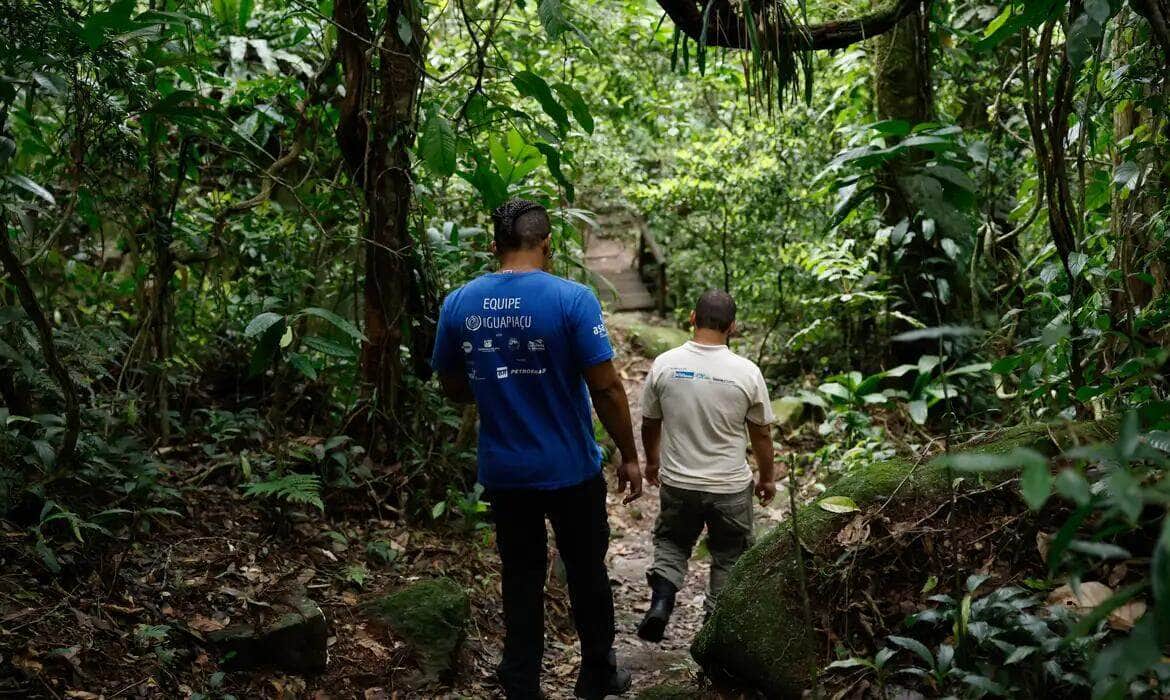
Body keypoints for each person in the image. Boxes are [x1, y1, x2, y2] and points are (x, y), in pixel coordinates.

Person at [431, 198, 643, 699]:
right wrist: (630, 456)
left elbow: (453, 386)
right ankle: (596, 674)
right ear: (548, 244)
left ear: (494, 246)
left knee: (520, 577)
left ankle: (521, 681)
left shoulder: (459, 303)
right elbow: (606, 387)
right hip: (571, 469)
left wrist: (501, 384)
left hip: (505, 472)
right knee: (587, 572)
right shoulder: (573, 300)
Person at [636, 289, 778, 642]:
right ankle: (713, 628)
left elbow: (650, 422)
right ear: (733, 327)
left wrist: (652, 461)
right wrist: (767, 478)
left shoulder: (665, 364)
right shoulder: (747, 372)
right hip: (729, 487)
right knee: (729, 555)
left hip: (679, 482)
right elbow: (761, 434)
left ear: (692, 318)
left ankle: (661, 604)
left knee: (672, 542)